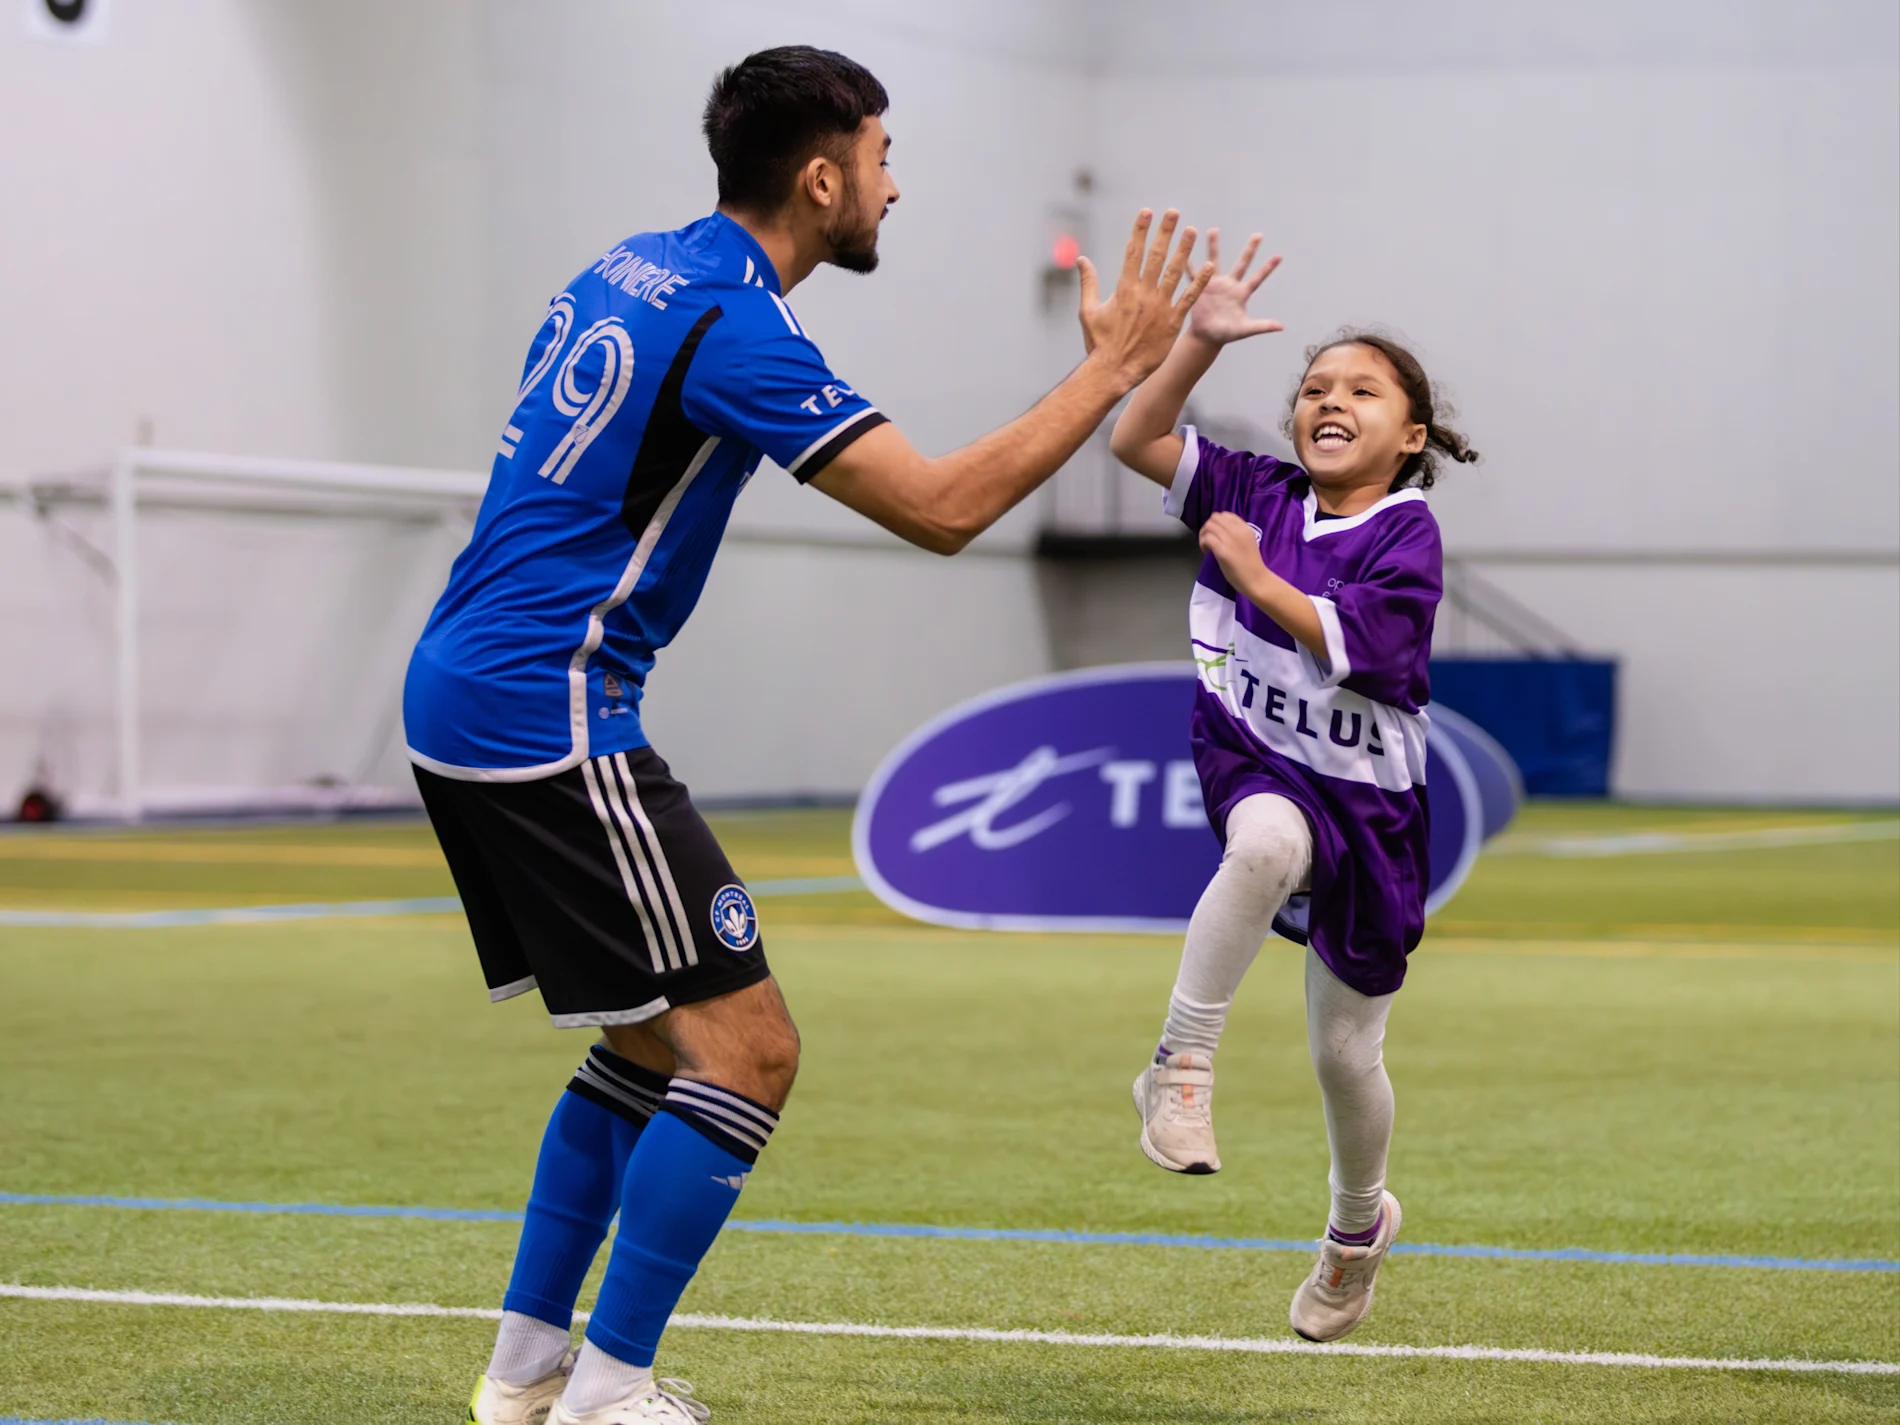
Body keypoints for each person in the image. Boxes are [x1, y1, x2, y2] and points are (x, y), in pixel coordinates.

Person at [402, 45, 1214, 1425]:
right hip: (551, 706)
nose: (897, 188)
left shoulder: (633, 266)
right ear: (822, 173)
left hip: (469, 690)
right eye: (885, 158)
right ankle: (607, 1392)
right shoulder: (736, 327)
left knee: (653, 1045)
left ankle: (529, 1374)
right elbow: (945, 506)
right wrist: (1114, 372)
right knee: (751, 1054)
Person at [1110, 233, 1478, 1343]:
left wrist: (1253, 574)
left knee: (1343, 1053)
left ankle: (1356, 1233)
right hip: (1256, 759)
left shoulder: (1405, 531)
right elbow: (1132, 435)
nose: (1331, 399)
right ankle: (1177, 1067)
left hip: (1370, 811)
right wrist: (1194, 346)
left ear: (1409, 435)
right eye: (1315, 386)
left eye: (1362, 390)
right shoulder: (1250, 488)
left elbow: (1343, 640)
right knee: (1262, 846)